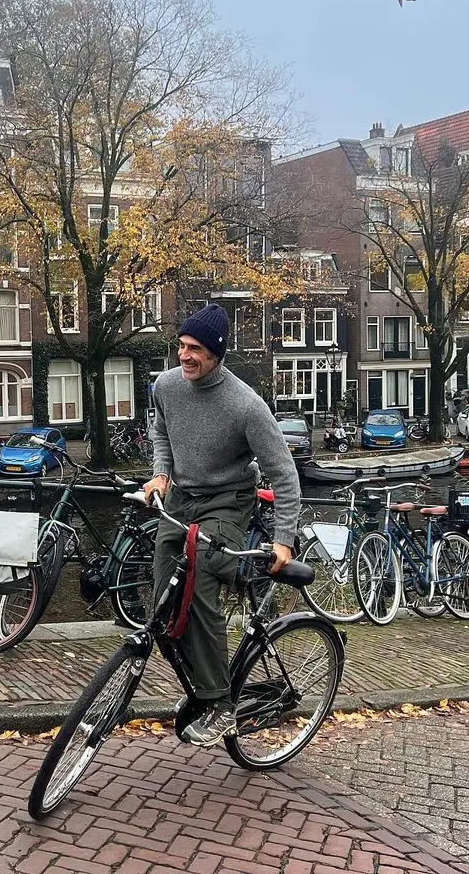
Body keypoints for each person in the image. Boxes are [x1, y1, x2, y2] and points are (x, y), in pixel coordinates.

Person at [143, 303, 300, 747]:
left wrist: (283, 539)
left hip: (228, 501)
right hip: (182, 495)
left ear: (216, 353)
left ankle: (220, 704)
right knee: (162, 601)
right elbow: (161, 431)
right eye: (181, 346)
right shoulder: (167, 386)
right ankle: (198, 681)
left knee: (203, 576)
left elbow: (284, 474)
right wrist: (160, 473)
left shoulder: (246, 405)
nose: (184, 356)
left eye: (194, 349)